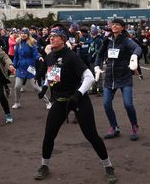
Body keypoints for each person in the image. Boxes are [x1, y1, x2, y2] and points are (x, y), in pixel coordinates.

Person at [34, 25, 117, 183]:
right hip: (59, 101)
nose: (51, 38)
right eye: (50, 36)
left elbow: (89, 77)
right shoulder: (51, 56)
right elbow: (53, 75)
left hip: (78, 100)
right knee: (49, 135)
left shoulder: (71, 56)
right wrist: (45, 87)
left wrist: (78, 94)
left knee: (91, 135)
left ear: (63, 39)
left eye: (55, 36)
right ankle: (44, 165)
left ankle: (108, 166)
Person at [94, 19, 142, 141]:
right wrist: (96, 66)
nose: (114, 26)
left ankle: (134, 126)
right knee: (106, 104)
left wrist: (134, 57)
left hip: (124, 77)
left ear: (122, 27)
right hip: (110, 78)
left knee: (128, 104)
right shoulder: (107, 40)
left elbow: (138, 48)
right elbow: (99, 55)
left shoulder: (126, 41)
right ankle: (114, 127)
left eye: (117, 25)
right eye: (113, 24)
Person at [12, 27, 51, 110]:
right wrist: (14, 65)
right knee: (17, 86)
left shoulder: (31, 43)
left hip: (30, 67)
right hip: (20, 67)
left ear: (28, 35)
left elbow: (36, 54)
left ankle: (48, 102)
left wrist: (39, 58)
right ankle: (17, 102)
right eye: (22, 33)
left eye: (25, 33)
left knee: (35, 87)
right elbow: (16, 56)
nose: (23, 35)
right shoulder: (18, 43)